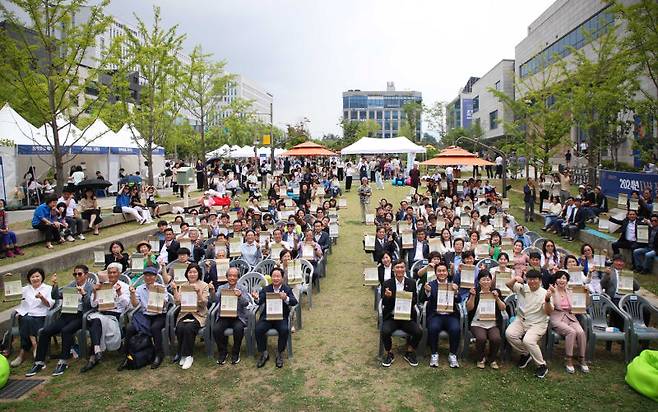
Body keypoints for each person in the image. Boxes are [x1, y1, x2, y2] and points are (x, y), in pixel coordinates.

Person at [26, 265, 94, 377]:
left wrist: (84, 294)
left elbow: (91, 305)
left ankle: (63, 361)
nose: (77, 276)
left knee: (66, 331)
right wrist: (55, 285)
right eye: (75, 274)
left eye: (80, 274)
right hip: (66, 314)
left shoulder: (90, 287)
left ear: (86, 275)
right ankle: (39, 361)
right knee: (45, 331)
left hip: (80, 315)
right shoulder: (72, 285)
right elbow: (56, 296)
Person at [80, 263, 131, 372]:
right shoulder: (102, 286)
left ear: (119, 273)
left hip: (114, 314)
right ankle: (97, 350)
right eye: (110, 272)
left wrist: (119, 292)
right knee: (96, 319)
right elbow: (93, 305)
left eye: (114, 272)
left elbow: (127, 305)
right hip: (101, 312)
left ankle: (93, 356)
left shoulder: (124, 286)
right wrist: (94, 292)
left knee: (96, 321)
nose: (112, 275)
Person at [120, 266, 172, 370]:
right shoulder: (139, 288)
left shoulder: (161, 288)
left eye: (151, 275)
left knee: (155, 328)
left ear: (155, 277)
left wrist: (159, 296)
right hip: (145, 314)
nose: (148, 277)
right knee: (130, 328)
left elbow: (165, 304)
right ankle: (127, 355)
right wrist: (132, 294)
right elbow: (135, 305)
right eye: (146, 275)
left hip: (159, 314)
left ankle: (158, 354)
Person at [505, 269, 550, 379]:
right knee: (509, 334)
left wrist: (548, 300)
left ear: (540, 281)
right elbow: (508, 284)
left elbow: (549, 311)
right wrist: (516, 278)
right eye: (530, 279)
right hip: (521, 319)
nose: (532, 282)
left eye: (535, 279)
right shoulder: (523, 288)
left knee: (528, 340)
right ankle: (526, 353)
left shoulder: (545, 293)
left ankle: (542, 365)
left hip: (537, 323)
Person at [252, 267, 298, 368]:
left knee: (284, 329)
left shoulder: (286, 289)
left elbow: (294, 302)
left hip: (281, 316)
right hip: (267, 316)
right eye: (274, 276)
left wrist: (286, 298)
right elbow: (260, 301)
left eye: (278, 276)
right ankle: (264, 352)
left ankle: (279, 353)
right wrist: (256, 298)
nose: (276, 278)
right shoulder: (266, 289)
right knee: (258, 329)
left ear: (282, 278)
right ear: (271, 277)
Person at [545, 270, 589, 374]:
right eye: (559, 278)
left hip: (570, 317)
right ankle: (569, 359)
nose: (561, 280)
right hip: (557, 317)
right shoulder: (551, 290)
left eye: (564, 278)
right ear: (556, 280)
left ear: (567, 281)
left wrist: (586, 293)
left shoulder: (571, 291)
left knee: (581, 332)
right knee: (571, 332)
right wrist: (550, 295)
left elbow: (584, 304)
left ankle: (582, 358)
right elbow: (549, 308)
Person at [380, 260, 422, 368]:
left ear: (405, 269)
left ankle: (409, 351)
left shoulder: (411, 283)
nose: (399, 269)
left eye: (402, 267)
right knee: (385, 331)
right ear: (393, 269)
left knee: (418, 332)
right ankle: (389, 353)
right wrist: (388, 297)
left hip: (406, 316)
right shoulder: (387, 283)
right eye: (397, 267)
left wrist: (409, 298)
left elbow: (415, 301)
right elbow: (384, 303)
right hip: (392, 316)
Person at [9, 268, 54, 367]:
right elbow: (12, 293)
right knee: (25, 318)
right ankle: (35, 345)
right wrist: (10, 279)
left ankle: (22, 353)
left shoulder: (48, 288)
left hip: (41, 316)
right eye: (32, 277)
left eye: (37, 276)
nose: (35, 278)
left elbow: (49, 305)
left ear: (42, 277)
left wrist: (42, 298)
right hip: (26, 315)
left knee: (26, 320)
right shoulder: (25, 289)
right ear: (29, 279)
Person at [421, 262, 461, 368]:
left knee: (455, 328)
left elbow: (459, 300)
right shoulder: (431, 284)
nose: (441, 273)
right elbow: (423, 299)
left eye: (443, 271)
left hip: (450, 315)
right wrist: (427, 292)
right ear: (435, 273)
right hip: (436, 315)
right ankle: (434, 354)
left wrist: (456, 292)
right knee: (433, 328)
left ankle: (452, 354)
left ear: (447, 272)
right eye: (439, 271)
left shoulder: (452, 284)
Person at [466, 270, 506, 369]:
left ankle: (492, 359)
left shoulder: (496, 291)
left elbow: (503, 308)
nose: (486, 282)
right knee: (481, 338)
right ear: (479, 281)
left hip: (492, 323)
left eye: (488, 279)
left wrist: (497, 298)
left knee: (496, 338)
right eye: (483, 279)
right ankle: (480, 358)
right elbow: (469, 308)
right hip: (477, 323)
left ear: (491, 281)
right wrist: (472, 296)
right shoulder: (474, 291)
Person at [172, 264, 209, 369]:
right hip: (185, 313)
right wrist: (175, 290)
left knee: (189, 328)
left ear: (198, 273)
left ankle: (188, 356)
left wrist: (198, 293)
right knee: (180, 327)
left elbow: (204, 304)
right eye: (190, 272)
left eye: (194, 272)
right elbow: (177, 302)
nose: (192, 274)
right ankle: (183, 353)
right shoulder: (183, 285)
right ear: (187, 274)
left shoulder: (204, 285)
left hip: (198, 314)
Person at [213, 267, 250, 365]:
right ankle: (223, 352)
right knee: (216, 329)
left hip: (238, 316)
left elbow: (246, 303)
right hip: (224, 315)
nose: (232, 278)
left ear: (238, 277)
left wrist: (240, 296)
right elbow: (215, 300)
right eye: (230, 275)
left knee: (238, 329)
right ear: (226, 277)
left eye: (234, 276)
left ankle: (235, 352)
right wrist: (213, 291)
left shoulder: (242, 288)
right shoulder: (222, 288)